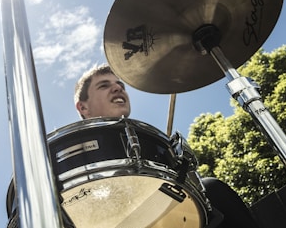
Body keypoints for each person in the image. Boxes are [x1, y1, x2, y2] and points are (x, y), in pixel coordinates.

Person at [74, 63, 260, 228]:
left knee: (212, 190)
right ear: (83, 107)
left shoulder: (147, 141)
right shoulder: (71, 152)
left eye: (120, 84)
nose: (117, 88)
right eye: (104, 85)